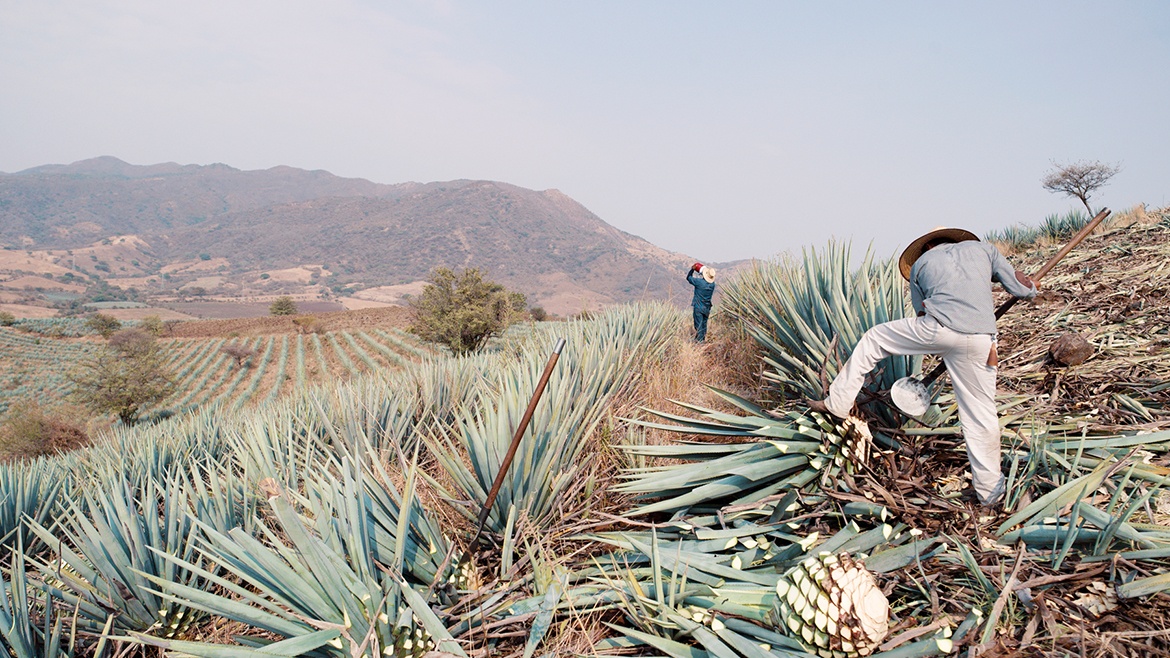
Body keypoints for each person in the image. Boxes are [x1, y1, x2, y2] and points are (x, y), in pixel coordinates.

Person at [807, 227, 1037, 507]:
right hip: (981, 340)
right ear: (953, 240)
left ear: (927, 246)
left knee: (875, 338)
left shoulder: (921, 264)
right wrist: (1031, 286)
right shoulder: (985, 250)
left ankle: (838, 402)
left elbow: (921, 313)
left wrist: (942, 344)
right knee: (980, 416)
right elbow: (1021, 289)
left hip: (936, 330)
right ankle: (991, 495)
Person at [686, 262, 716, 342]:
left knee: (698, 326)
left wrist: (692, 269)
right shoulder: (712, 285)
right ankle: (702, 340)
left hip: (698, 307)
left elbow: (688, 278)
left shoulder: (699, 282)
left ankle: (699, 342)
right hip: (707, 308)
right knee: (704, 325)